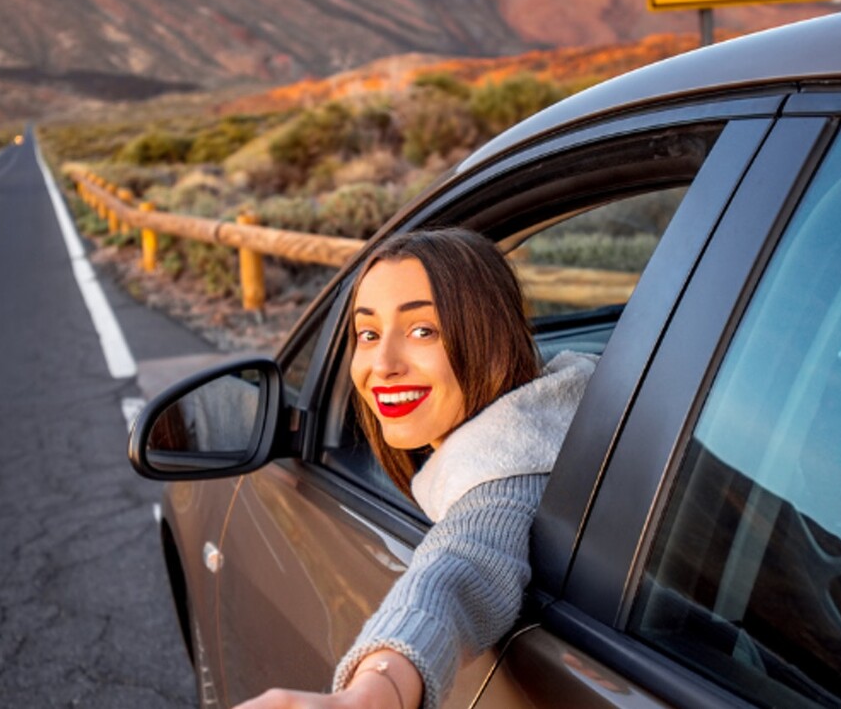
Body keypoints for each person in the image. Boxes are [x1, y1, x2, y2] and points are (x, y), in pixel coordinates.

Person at [236, 227, 598, 709]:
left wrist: (370, 695)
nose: (382, 364)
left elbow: (458, 569)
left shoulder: (508, 475)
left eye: (422, 330)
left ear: (492, 341)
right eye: (368, 333)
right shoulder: (571, 414)